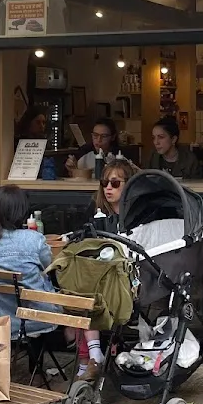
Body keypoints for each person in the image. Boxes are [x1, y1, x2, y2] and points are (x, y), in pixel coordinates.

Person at [0, 186, 59, 376]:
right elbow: (49, 265)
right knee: (46, 285)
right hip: (29, 318)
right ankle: (36, 368)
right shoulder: (33, 240)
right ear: (19, 212)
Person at [73, 159, 136, 379]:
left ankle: (88, 360)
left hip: (124, 278)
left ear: (128, 185)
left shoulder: (137, 217)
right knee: (77, 288)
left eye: (115, 183)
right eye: (105, 183)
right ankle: (92, 356)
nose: (108, 188)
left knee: (84, 292)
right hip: (98, 273)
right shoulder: (96, 212)